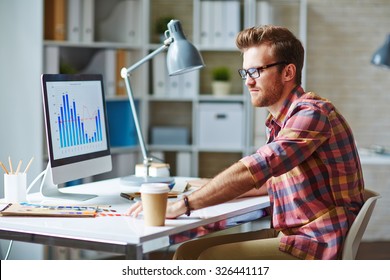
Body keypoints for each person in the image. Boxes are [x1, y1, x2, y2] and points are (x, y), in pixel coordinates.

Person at [127, 25, 365, 260]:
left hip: (316, 241)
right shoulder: (279, 121)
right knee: (188, 252)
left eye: (256, 71)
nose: (248, 82)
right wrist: (206, 188)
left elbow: (259, 166)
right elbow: (268, 180)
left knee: (209, 258)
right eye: (245, 73)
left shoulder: (311, 114)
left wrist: (185, 204)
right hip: (294, 233)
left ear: (288, 72)